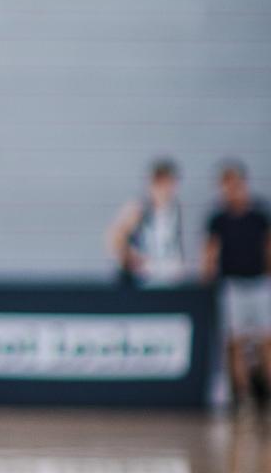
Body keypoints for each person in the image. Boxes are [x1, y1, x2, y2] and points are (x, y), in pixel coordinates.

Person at [202, 160, 271, 409]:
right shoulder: (218, 218)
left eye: (234, 184)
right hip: (232, 286)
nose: (230, 190)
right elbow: (210, 251)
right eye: (225, 185)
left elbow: (267, 246)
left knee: (265, 339)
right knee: (237, 342)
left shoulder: (259, 215)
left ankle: (266, 392)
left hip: (260, 283)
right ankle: (244, 397)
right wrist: (207, 274)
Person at [107, 158, 187, 288]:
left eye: (169, 183)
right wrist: (130, 257)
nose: (165, 188)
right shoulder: (138, 208)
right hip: (142, 280)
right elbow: (114, 238)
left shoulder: (175, 209)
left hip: (168, 279)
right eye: (160, 183)